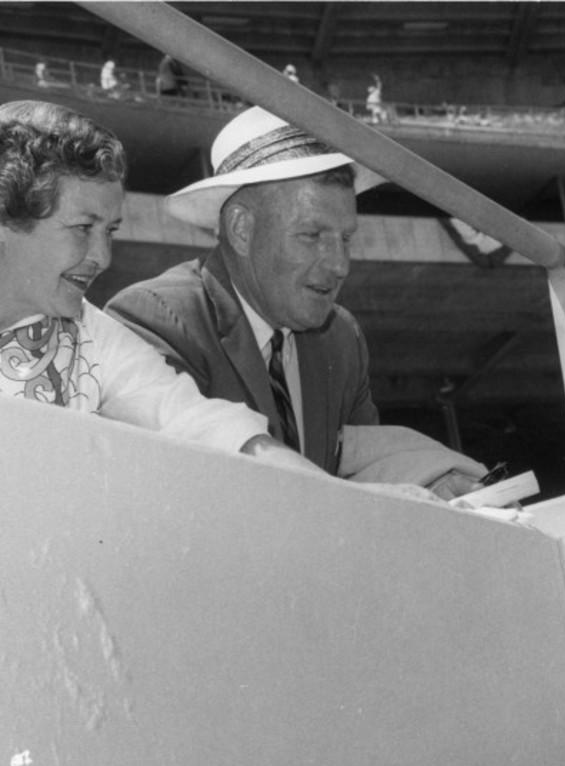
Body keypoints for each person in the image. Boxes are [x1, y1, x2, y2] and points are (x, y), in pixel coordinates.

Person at [0, 100, 320, 478]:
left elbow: (206, 425)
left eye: (109, 231)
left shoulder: (93, 341)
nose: (102, 257)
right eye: (82, 227)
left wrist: (336, 501)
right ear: (1, 213)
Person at [105, 106, 485, 496]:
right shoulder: (155, 319)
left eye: (345, 239)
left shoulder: (342, 337)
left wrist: (434, 479)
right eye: (311, 235)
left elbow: (354, 466)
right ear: (241, 229)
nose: (339, 265)